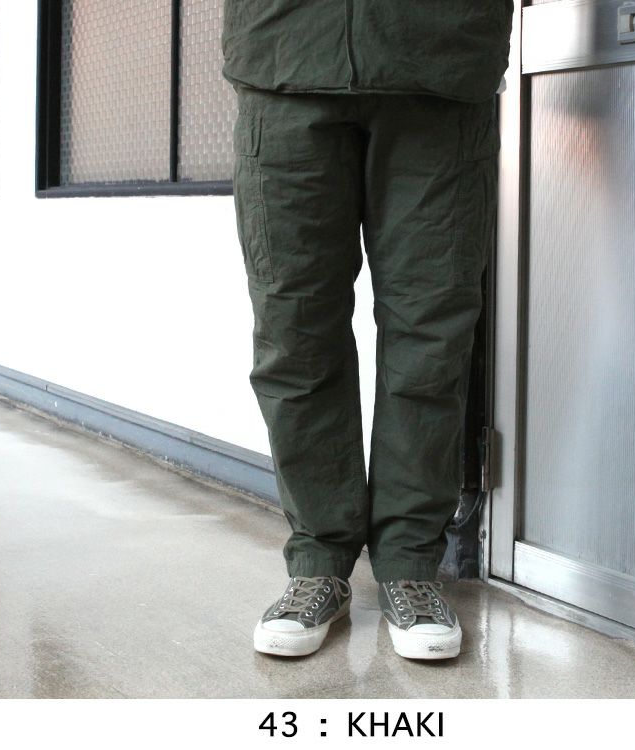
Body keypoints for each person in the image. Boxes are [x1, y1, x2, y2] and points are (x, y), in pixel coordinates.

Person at [221, 1, 513, 660]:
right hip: (286, 50)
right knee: (295, 329)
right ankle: (318, 562)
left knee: (431, 332)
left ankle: (409, 565)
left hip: (439, 55)